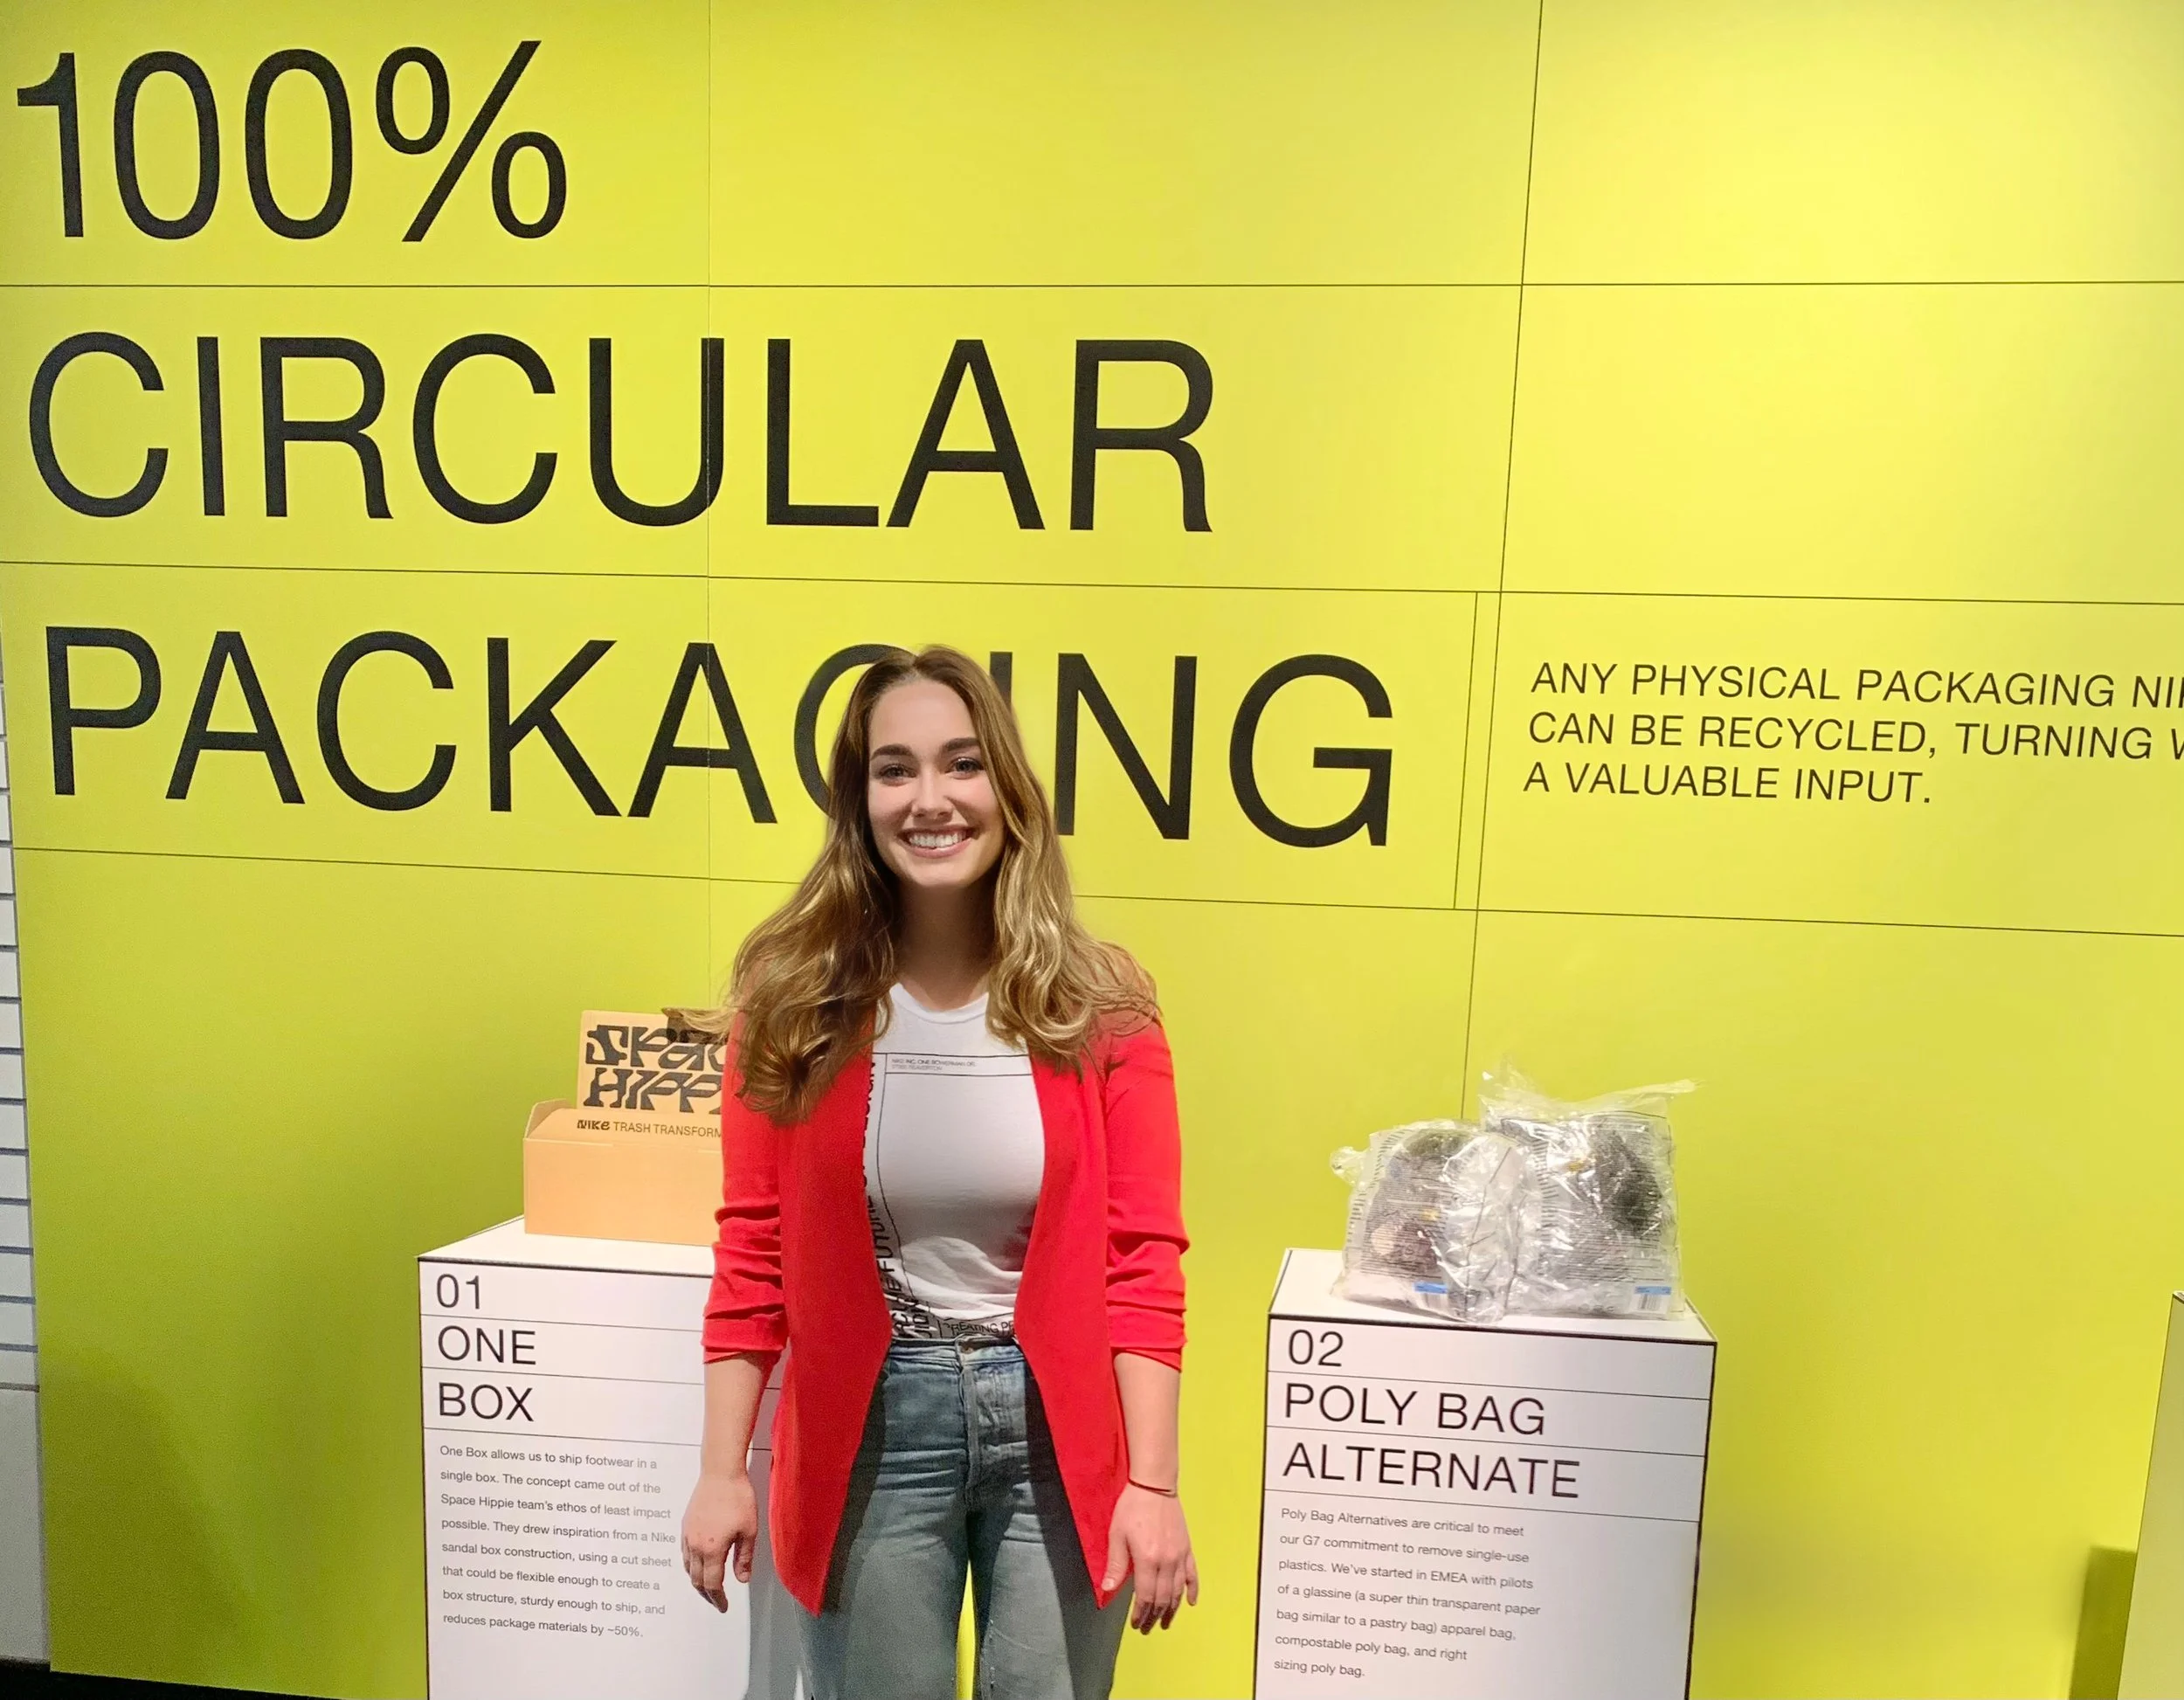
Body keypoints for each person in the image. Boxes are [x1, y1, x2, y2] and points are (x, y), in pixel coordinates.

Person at [678, 646, 1196, 1700]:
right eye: (894, 768)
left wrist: (1153, 1481)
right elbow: (755, 1248)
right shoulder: (792, 1000)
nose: (930, 798)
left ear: (1008, 787)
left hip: (1057, 1430)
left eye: (962, 763)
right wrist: (721, 1469)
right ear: (858, 798)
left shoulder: (1101, 1005)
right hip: (870, 1427)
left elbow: (1141, 1258)